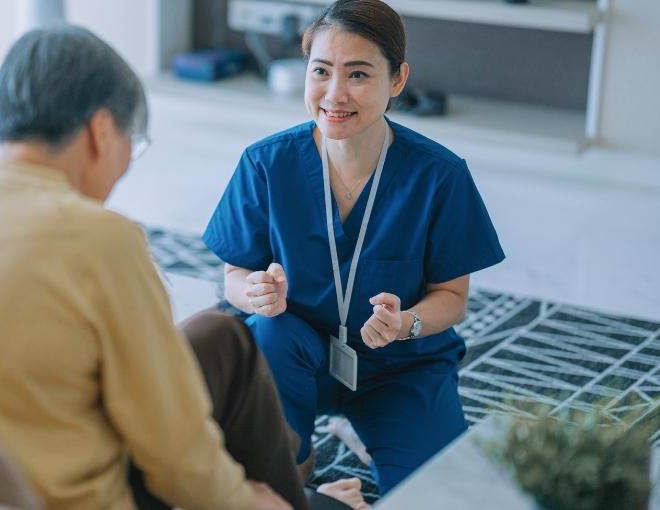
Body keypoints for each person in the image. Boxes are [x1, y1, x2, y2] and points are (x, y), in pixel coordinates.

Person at [0, 25, 373, 510]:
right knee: (226, 351)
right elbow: (174, 452)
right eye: (130, 145)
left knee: (216, 336)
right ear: (100, 130)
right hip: (43, 497)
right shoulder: (101, 239)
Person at [203, 0, 505, 498]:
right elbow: (234, 274)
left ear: (398, 79)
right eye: (321, 71)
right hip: (293, 355)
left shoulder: (440, 176)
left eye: (359, 74)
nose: (335, 94)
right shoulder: (266, 164)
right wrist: (253, 293)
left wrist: (406, 321)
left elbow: (451, 297)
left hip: (401, 366)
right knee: (270, 484)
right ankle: (297, 461)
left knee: (436, 498)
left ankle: (370, 432)